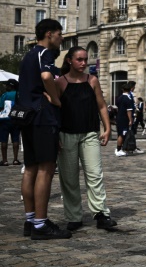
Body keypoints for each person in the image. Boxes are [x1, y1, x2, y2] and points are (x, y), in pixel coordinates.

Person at [18, 19, 70, 239]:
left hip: (26, 116)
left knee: (30, 168)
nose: (61, 39)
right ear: (49, 34)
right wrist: (56, 99)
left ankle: (31, 220)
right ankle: (41, 224)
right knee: (46, 169)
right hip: (42, 117)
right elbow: (47, 76)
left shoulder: (28, 56)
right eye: (60, 34)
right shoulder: (44, 53)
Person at [55, 46, 117, 231]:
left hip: (90, 133)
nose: (83, 63)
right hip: (66, 134)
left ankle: (101, 214)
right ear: (69, 61)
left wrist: (107, 128)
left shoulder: (92, 80)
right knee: (69, 178)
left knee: (95, 175)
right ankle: (74, 216)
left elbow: (102, 106)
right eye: (79, 59)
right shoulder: (61, 82)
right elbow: (55, 111)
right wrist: (54, 134)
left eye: (85, 59)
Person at [0, 79, 21, 166]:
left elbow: (0, 106)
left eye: (7, 85)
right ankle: (15, 159)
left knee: (3, 140)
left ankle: (4, 160)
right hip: (16, 119)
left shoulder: (4, 95)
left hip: (4, 120)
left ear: (10, 86)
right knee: (15, 139)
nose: (6, 87)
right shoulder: (18, 94)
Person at [114, 83, 134, 157]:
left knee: (120, 133)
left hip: (119, 117)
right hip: (124, 118)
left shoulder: (119, 98)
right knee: (122, 134)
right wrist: (130, 120)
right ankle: (119, 149)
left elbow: (117, 107)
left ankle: (119, 148)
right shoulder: (127, 99)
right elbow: (129, 111)